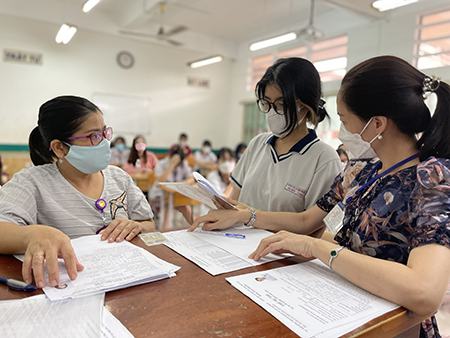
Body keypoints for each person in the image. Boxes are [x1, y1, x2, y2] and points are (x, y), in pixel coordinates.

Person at [248, 56, 450, 337]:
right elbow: (335, 234)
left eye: (344, 119)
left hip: (393, 329)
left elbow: (425, 292)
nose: (343, 133)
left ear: (377, 124)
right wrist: (302, 241)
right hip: (346, 313)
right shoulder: (367, 173)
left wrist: (317, 247)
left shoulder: (432, 179)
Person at [0, 96, 155, 288]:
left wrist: (137, 226)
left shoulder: (119, 178)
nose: (105, 143)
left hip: (126, 280)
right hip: (72, 288)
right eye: (93, 136)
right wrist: (32, 235)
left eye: (104, 133)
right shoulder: (33, 182)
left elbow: (149, 224)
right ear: (59, 148)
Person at [190, 57, 341, 231]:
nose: (272, 112)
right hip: (236, 242)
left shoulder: (324, 159)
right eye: (266, 103)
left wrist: (248, 216)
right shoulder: (258, 144)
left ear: (305, 106)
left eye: (281, 103)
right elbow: (236, 200)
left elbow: (308, 225)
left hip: (281, 255)